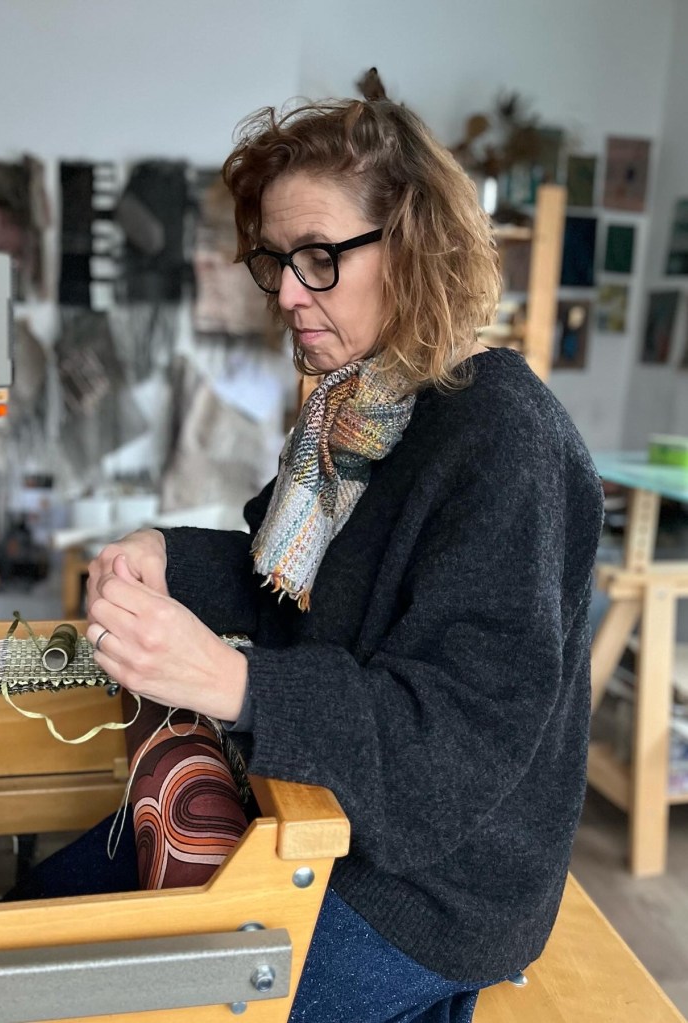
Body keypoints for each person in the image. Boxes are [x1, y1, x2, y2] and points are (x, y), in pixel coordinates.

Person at [84, 72, 604, 1023]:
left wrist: (233, 685)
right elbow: (282, 588)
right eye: (276, 260)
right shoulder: (353, 413)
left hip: (433, 892)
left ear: (413, 250)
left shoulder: (500, 438)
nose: (286, 292)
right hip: (323, 810)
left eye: (318, 256)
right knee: (56, 904)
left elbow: (451, 747)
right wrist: (160, 550)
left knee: (122, 1000)